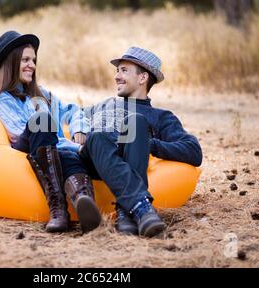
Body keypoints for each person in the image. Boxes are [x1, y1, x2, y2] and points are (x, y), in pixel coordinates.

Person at [0, 30, 101, 233]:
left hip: (54, 152)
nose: (32, 65)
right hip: (25, 149)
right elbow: (17, 131)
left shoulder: (41, 94)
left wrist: (79, 129)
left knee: (76, 148)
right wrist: (74, 147)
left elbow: (73, 111)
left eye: (33, 60)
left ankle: (84, 201)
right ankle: (58, 209)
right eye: (25, 60)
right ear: (11, 62)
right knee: (42, 121)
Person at [78, 46, 203, 237]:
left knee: (136, 122)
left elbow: (193, 151)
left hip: (128, 160)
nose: (116, 76)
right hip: (96, 161)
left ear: (143, 78)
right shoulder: (103, 106)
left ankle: (126, 215)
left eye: (124, 70)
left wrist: (147, 143)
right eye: (117, 71)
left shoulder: (160, 117)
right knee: (98, 136)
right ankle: (141, 208)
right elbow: (68, 117)